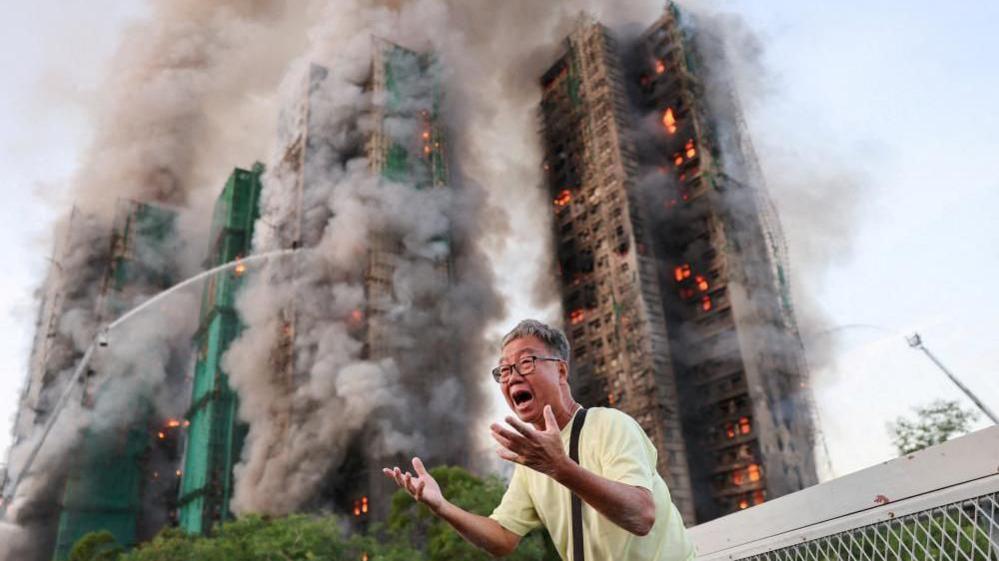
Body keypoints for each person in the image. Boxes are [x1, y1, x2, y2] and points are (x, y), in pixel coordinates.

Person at [383, 319, 695, 560]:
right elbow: (503, 538)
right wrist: (442, 507)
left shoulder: (609, 425)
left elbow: (641, 516)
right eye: (504, 370)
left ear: (561, 371)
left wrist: (560, 467)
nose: (512, 376)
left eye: (526, 363)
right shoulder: (533, 463)